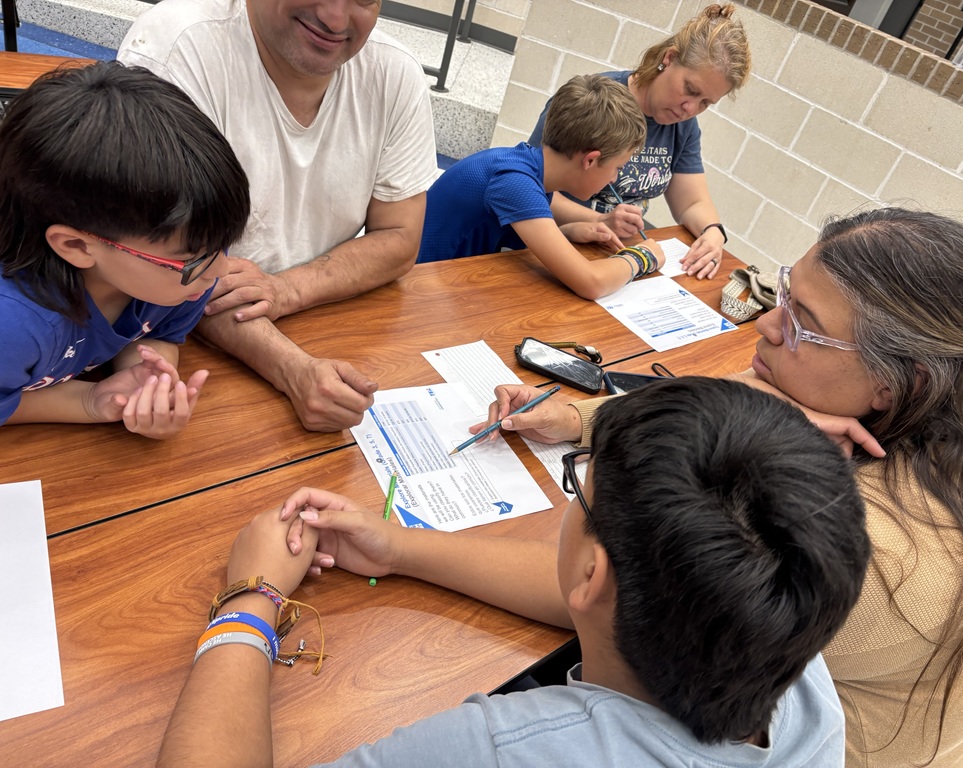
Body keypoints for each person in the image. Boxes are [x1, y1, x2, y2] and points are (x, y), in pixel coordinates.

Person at [471, 208, 963, 767]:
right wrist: (575, 417)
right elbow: (714, 414)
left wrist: (400, 547)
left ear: (898, 382)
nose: (767, 324)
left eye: (803, 324)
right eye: (784, 292)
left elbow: (602, 588)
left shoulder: (873, 548)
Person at [158, 378, 870, 767]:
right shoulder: (794, 660)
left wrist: (249, 601)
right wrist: (400, 548)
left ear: (595, 570)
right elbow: (612, 600)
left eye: (580, 483)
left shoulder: (503, 751)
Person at [118, 0, 438, 432]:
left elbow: (400, 238)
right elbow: (177, 271)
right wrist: (293, 370)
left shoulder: (395, 72)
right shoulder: (180, 48)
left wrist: (286, 290)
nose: (336, 19)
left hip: (319, 328)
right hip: (179, 349)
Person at [0, 61, 250, 438]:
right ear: (76, 246)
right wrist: (88, 401)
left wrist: (150, 381)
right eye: (192, 259)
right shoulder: (14, 326)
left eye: (222, 244)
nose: (221, 271)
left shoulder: (186, 276)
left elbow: (156, 335)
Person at [528, 3, 751, 281]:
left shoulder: (684, 127)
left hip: (622, 252)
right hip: (557, 243)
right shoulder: (594, 102)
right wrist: (597, 220)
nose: (690, 108)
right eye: (690, 90)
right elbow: (531, 189)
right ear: (669, 59)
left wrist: (713, 232)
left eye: (705, 102)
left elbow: (693, 201)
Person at [418, 75, 665, 300]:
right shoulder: (514, 182)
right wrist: (642, 257)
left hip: (445, 283)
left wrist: (567, 232)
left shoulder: (531, 167)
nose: (613, 179)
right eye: (617, 168)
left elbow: (518, 236)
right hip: (416, 291)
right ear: (590, 160)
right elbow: (591, 282)